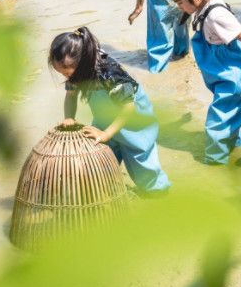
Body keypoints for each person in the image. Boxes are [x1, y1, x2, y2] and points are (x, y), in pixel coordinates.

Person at [49, 27, 170, 194]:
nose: (66, 77)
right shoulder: (76, 72)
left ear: (82, 62)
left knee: (140, 159)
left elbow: (128, 107)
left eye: (67, 73)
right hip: (105, 118)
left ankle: (157, 191)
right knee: (102, 157)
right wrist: (69, 117)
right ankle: (107, 188)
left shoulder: (109, 72)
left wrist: (106, 134)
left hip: (133, 120)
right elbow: (70, 95)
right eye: (62, 73)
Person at [165, 0, 241, 165]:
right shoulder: (205, 2)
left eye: (180, 2)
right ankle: (237, 149)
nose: (179, 7)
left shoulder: (217, 16)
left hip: (233, 76)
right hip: (222, 72)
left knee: (216, 123)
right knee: (229, 117)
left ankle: (214, 163)